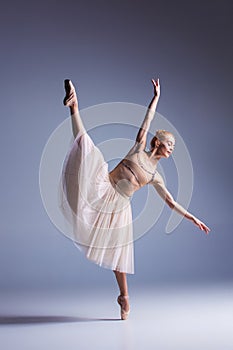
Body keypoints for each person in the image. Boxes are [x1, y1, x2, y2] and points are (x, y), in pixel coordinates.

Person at [60, 78, 210, 320]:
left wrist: (193, 218)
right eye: (169, 143)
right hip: (103, 185)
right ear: (157, 142)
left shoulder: (155, 176)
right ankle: (74, 106)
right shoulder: (139, 147)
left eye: (173, 146)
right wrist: (156, 97)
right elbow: (148, 119)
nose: (172, 148)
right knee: (87, 147)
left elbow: (170, 202)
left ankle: (124, 297)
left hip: (119, 207)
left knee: (119, 254)